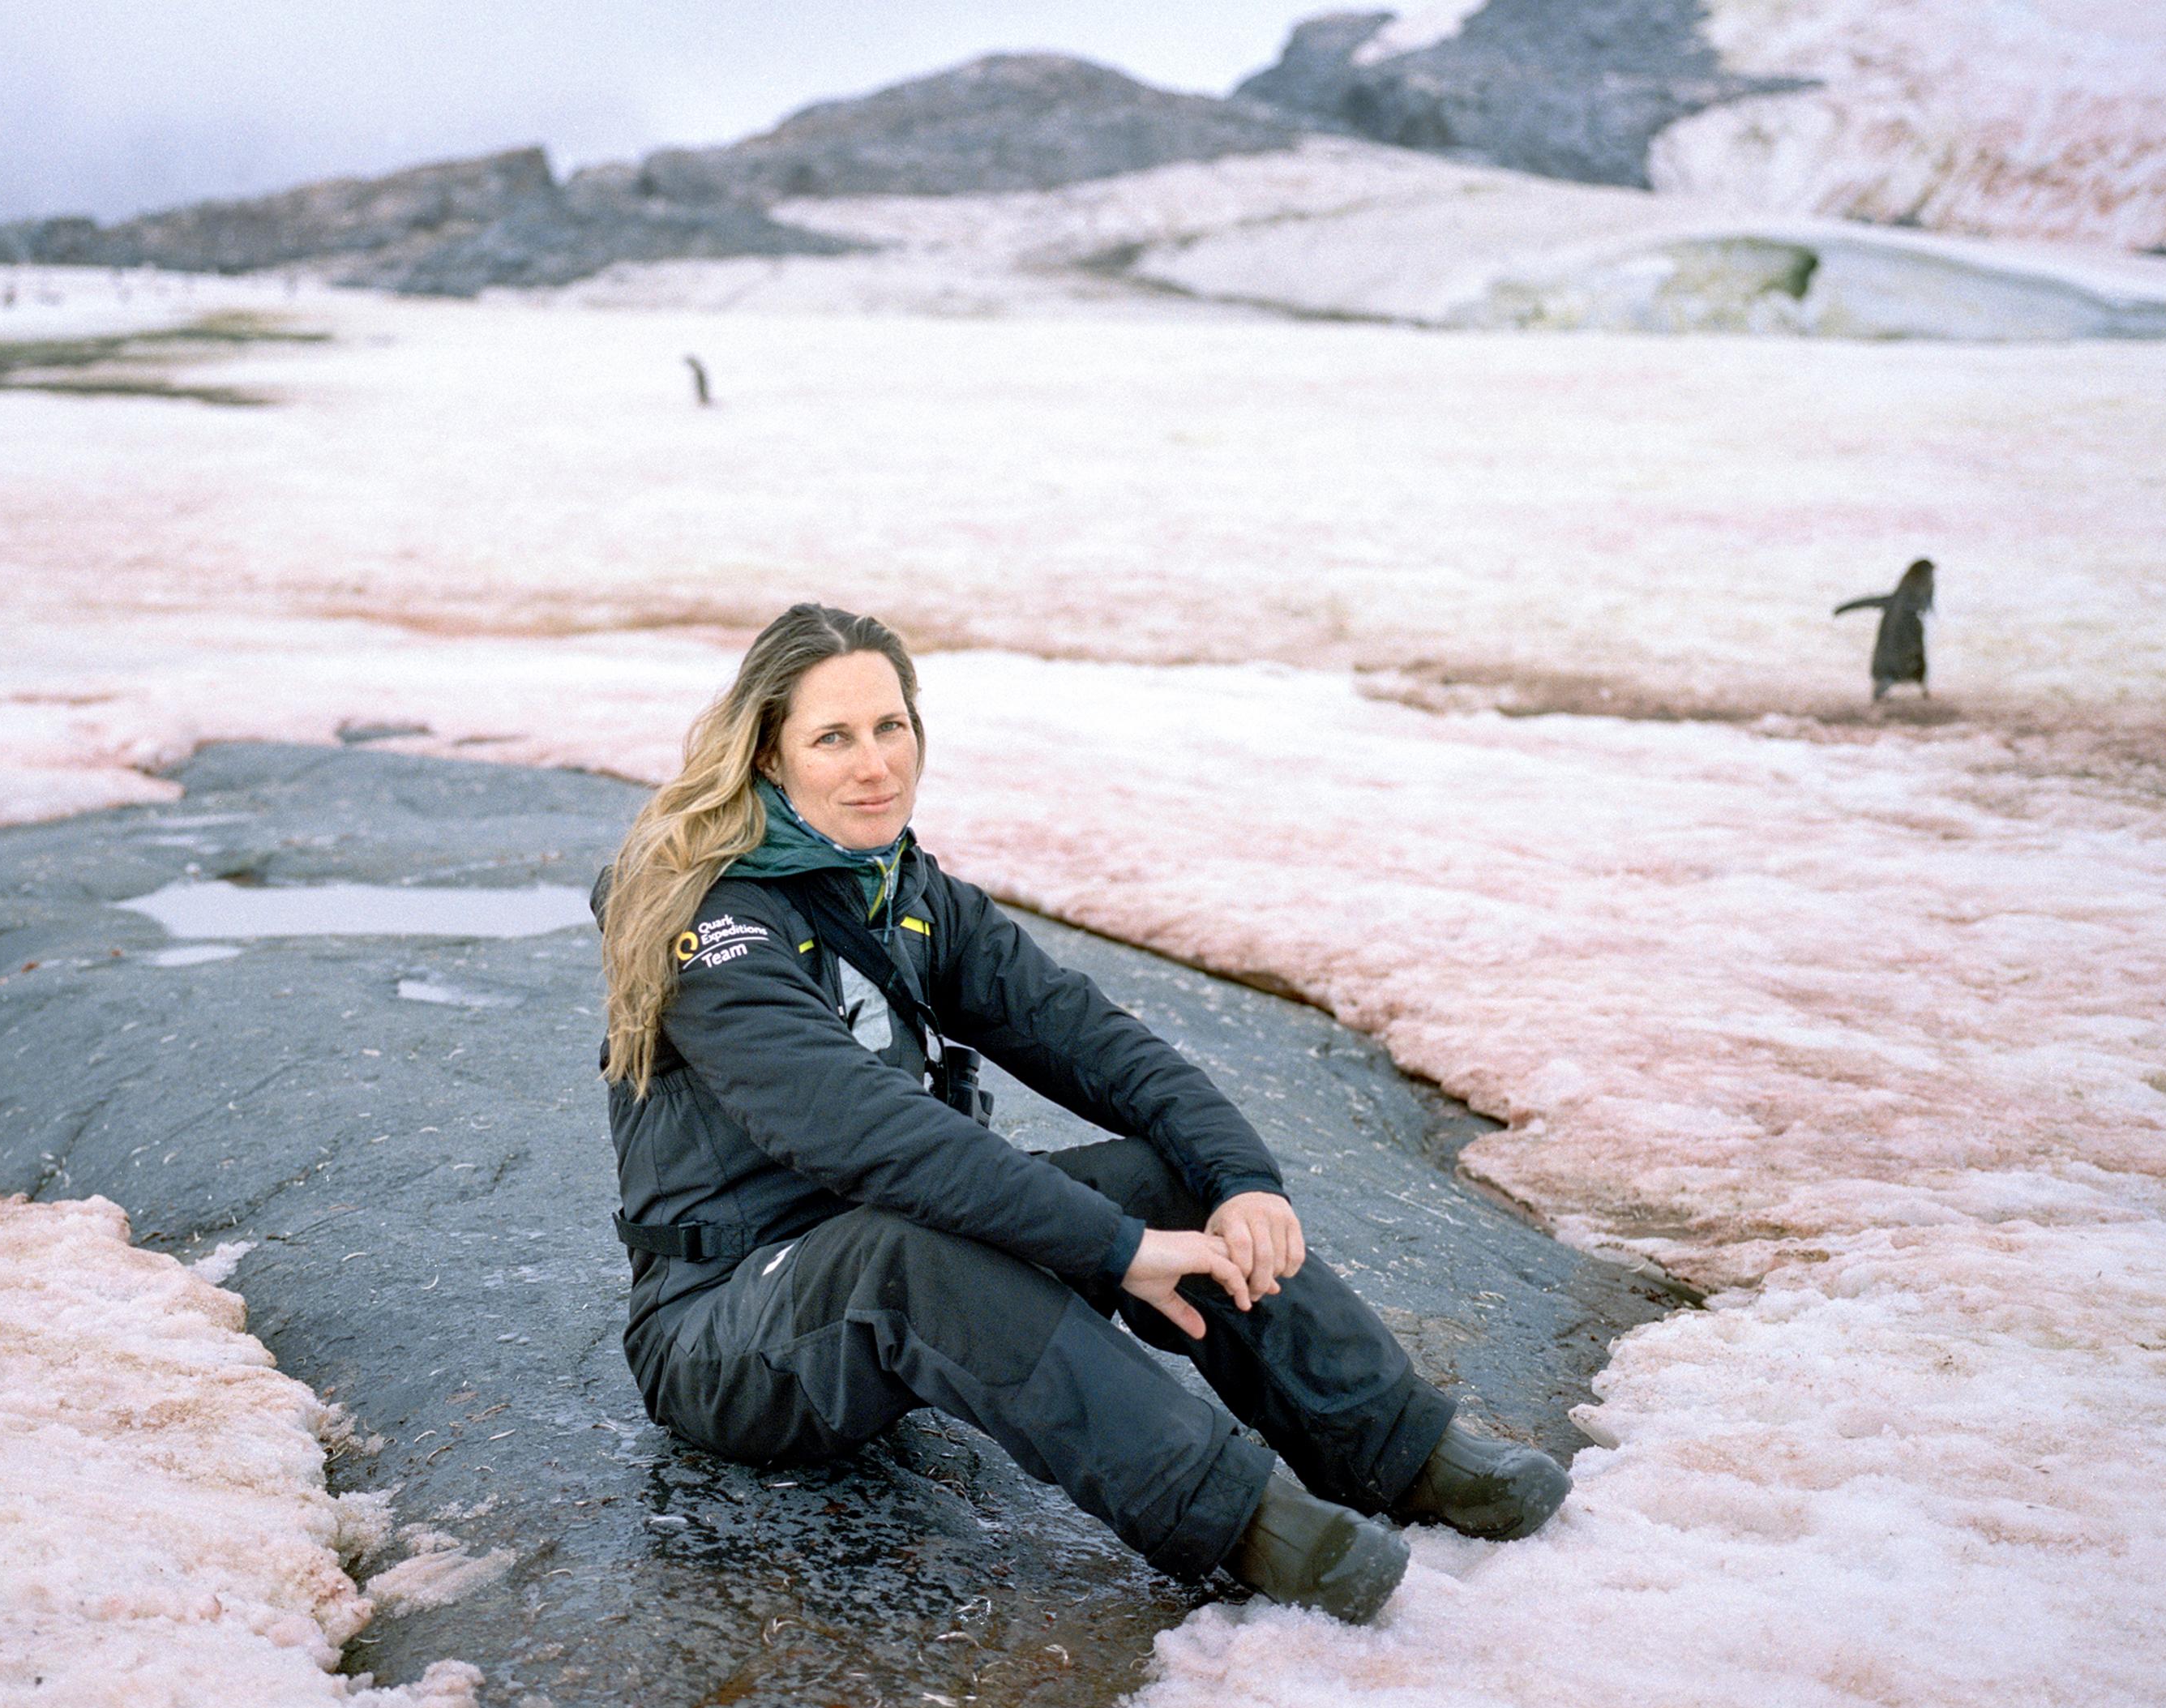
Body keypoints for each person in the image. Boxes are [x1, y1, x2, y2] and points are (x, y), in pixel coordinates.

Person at [593, 603, 1569, 1623]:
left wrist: (1242, 1178)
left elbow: (1093, 1041)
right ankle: (1242, 1519)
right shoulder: (711, 924)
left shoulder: (906, 894)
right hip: (727, 1328)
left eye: (891, 727)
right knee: (915, 1252)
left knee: (1163, 1180)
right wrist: (1114, 1251)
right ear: (768, 756)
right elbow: (867, 1134)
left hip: (882, 1275)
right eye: (833, 738)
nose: (875, 764)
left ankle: (1398, 1451)